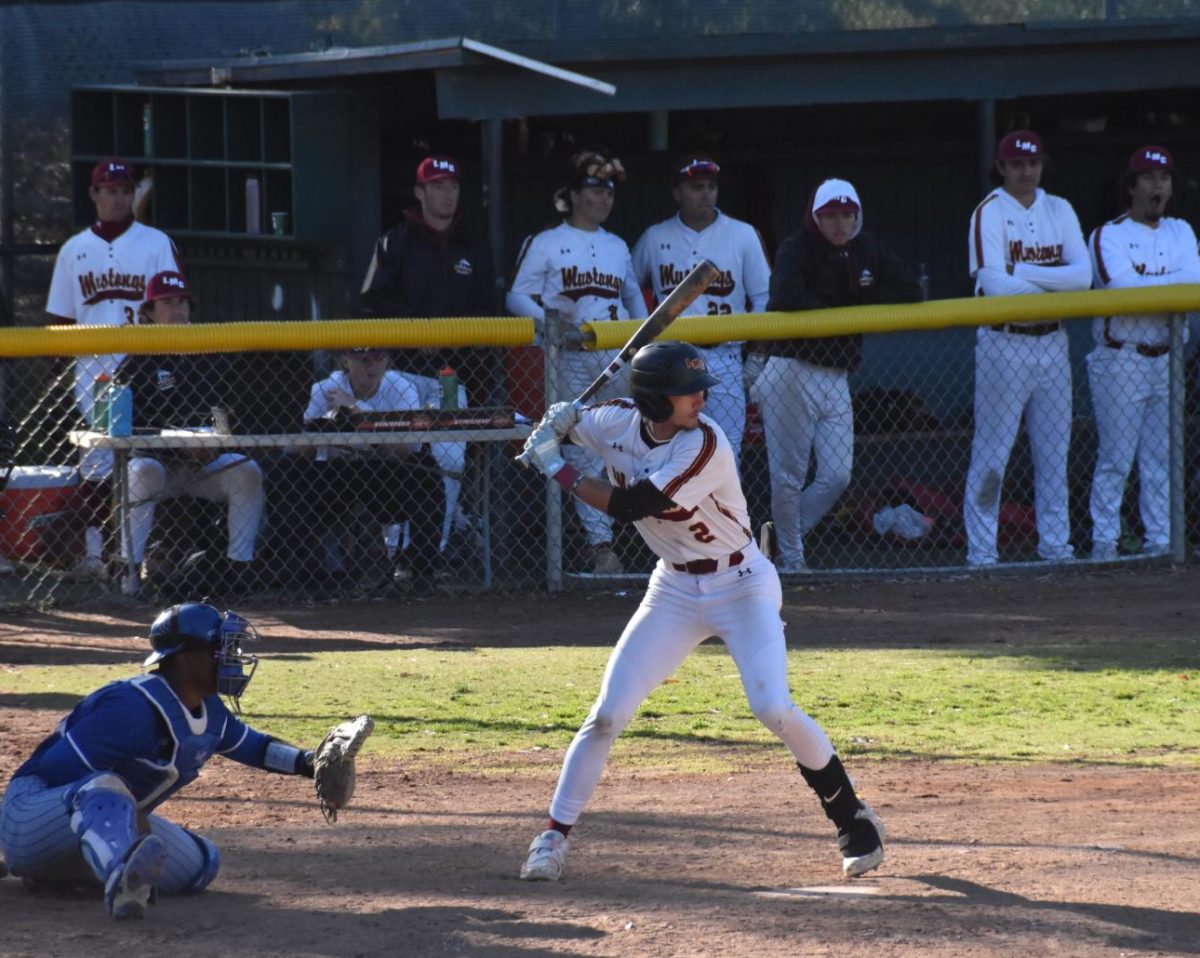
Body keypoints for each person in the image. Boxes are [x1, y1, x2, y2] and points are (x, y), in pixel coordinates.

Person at [515, 341, 885, 882]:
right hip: (673, 590)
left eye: (698, 389)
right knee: (607, 715)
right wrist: (556, 421)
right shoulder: (613, 421)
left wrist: (556, 467)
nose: (699, 399)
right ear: (654, 402)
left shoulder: (706, 444)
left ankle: (851, 816)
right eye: (686, 393)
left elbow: (632, 505)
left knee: (772, 707)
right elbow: (567, 425)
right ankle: (551, 836)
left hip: (742, 585)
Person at [0, 602, 316, 920]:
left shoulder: (211, 711)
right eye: (223, 649)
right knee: (106, 787)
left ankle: (64, 873)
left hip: (87, 828)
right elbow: (55, 769)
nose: (233, 659)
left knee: (201, 865)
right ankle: (120, 877)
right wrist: (125, 806)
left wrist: (308, 763)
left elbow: (255, 747)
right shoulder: (130, 707)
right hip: (29, 817)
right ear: (187, 657)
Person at [753, 178, 922, 572]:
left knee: (837, 476)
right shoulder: (797, 248)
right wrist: (841, 312)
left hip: (836, 375)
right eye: (830, 215)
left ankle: (776, 542)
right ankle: (791, 561)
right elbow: (785, 297)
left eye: (847, 215)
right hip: (791, 371)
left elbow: (912, 289)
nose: (840, 224)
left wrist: (862, 301)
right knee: (789, 476)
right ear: (816, 216)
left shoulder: (867, 248)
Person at [507, 148, 649, 574]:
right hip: (569, 357)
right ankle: (600, 545)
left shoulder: (618, 245)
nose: (603, 198)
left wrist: (643, 343)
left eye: (608, 191)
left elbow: (633, 301)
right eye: (593, 189)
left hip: (618, 355)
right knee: (587, 450)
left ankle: (649, 534)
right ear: (570, 194)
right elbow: (516, 296)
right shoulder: (546, 242)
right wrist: (548, 325)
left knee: (633, 444)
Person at [962, 130, 1092, 567]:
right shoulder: (989, 212)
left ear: (1042, 164)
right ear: (1001, 168)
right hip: (1005, 340)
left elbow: (1083, 278)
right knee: (993, 455)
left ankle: (1056, 548)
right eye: (1016, 164)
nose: (1026, 170)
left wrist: (1028, 270)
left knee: (1055, 453)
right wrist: (1052, 280)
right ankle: (981, 553)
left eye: (1032, 162)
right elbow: (995, 286)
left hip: (1053, 342)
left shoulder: (1060, 208)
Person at [45, 157, 181, 573]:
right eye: (110, 190)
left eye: (125, 190)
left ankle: (138, 553)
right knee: (99, 464)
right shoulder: (74, 249)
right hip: (92, 371)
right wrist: (57, 372)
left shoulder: (156, 242)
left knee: (146, 458)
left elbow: (174, 308)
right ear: (94, 194)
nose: (119, 198)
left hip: (145, 366)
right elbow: (60, 320)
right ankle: (97, 550)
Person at [359, 154, 495, 565]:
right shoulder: (395, 241)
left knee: (450, 458)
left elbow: (488, 310)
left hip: (452, 376)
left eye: (452, 186)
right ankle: (394, 552)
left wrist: (450, 337)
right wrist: (417, 331)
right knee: (404, 456)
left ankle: (430, 555)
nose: (446, 194)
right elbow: (372, 301)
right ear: (420, 192)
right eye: (436, 186)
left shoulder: (472, 245)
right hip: (400, 373)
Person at [114, 271, 264, 599]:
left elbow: (229, 410)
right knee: (141, 471)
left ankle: (239, 570)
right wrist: (179, 445)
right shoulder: (137, 359)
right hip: (160, 467)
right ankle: (128, 573)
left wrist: (218, 440)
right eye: (167, 303)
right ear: (149, 313)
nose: (178, 310)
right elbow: (126, 425)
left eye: (183, 302)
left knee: (246, 472)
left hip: (204, 464)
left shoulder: (208, 352)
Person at [1086, 146, 1200, 560]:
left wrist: (1150, 286)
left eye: (1165, 177)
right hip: (1121, 357)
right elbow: (1119, 288)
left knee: (1161, 458)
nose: (1159, 185)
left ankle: (1161, 542)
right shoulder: (1108, 234)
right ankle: (1104, 543)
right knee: (1116, 458)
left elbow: (1195, 282)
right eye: (1150, 177)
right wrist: (1171, 286)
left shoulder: (1181, 231)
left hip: (1168, 358)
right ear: (1131, 186)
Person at [631, 154, 772, 464]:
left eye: (711, 186)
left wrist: (757, 357)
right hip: (670, 360)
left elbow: (764, 299)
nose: (705, 193)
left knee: (726, 452)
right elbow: (629, 288)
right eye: (695, 187)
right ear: (677, 192)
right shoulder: (655, 237)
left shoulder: (742, 234)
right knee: (668, 452)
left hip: (725, 358)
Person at [296, 347, 443, 589]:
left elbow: (407, 449)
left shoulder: (401, 387)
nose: (371, 366)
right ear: (345, 360)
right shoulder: (325, 389)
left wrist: (355, 409)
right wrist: (328, 427)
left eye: (378, 358)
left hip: (385, 474)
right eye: (363, 359)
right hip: (337, 473)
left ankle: (421, 570)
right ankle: (309, 574)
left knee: (426, 470)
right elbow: (301, 449)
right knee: (292, 472)